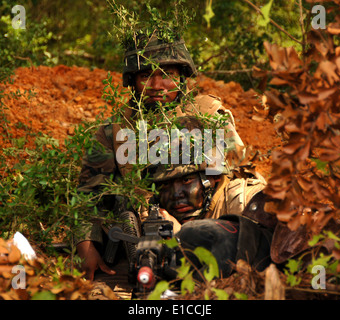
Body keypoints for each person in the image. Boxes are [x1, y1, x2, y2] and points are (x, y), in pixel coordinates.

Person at [75, 31, 247, 281]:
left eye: (167, 75)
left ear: (182, 76)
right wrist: (86, 247)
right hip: (148, 226)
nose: (157, 86)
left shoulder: (208, 113)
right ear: (132, 80)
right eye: (146, 76)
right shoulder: (115, 129)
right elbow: (89, 194)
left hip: (212, 218)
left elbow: (236, 172)